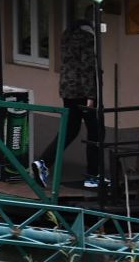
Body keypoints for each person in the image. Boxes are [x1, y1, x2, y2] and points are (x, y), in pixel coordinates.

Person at [35, 14, 105, 190]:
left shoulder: (66, 35)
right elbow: (87, 67)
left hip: (68, 90)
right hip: (83, 91)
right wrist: (91, 96)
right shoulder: (87, 39)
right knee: (96, 132)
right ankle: (93, 176)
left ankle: (43, 163)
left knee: (70, 130)